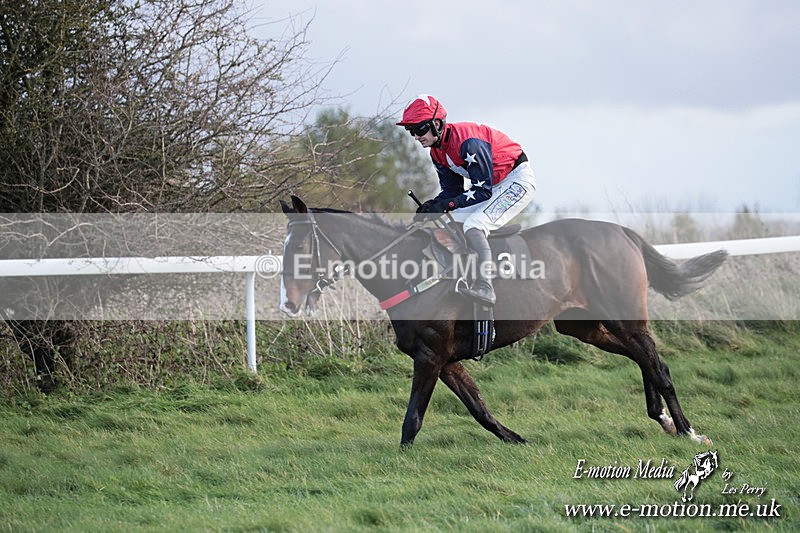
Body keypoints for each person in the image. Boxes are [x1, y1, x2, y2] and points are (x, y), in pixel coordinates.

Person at [397, 94, 537, 306]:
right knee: (455, 223)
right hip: (491, 185)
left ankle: (486, 286)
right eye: (411, 132)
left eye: (419, 129)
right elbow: (452, 192)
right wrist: (433, 205)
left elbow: (482, 192)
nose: (415, 137)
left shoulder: (468, 143)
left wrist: (446, 205)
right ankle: (461, 277)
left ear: (436, 124)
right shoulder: (437, 152)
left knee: (475, 224)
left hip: (516, 180)